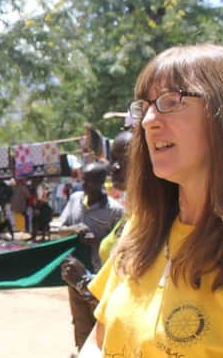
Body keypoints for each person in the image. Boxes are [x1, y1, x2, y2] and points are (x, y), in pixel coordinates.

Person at [89, 44, 223, 356]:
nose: (148, 121)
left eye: (171, 100)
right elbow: (98, 340)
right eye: (145, 106)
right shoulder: (139, 231)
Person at [60, 130, 132, 350]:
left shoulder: (117, 211)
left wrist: (87, 283)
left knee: (104, 337)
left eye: (123, 161)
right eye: (113, 161)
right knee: (83, 332)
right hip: (80, 278)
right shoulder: (74, 200)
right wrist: (73, 229)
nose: (114, 168)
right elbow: (58, 229)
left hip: (96, 283)